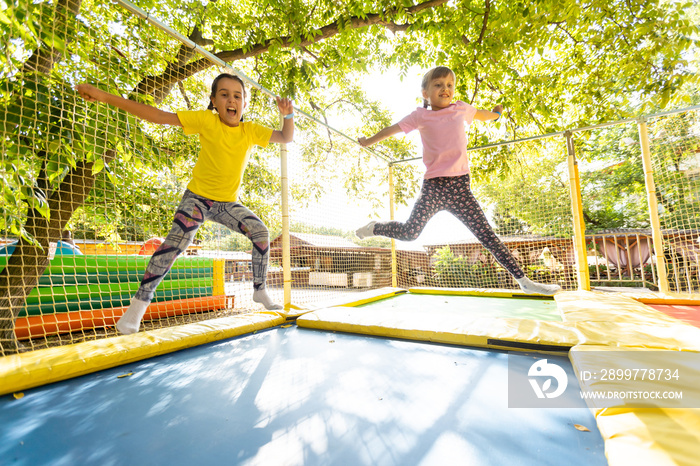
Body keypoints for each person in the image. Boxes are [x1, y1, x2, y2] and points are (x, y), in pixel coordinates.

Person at [77, 73, 294, 334]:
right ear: (213, 101)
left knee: (261, 232)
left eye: (237, 95)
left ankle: (260, 291)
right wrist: (104, 96)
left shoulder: (251, 131)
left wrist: (287, 115)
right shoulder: (206, 120)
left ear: (244, 104)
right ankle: (136, 308)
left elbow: (285, 137)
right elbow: (158, 116)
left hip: (227, 205)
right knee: (175, 245)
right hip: (198, 200)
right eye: (224, 94)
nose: (231, 100)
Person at [355, 66, 560, 296]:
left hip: (460, 188)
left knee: (488, 237)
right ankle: (375, 227)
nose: (445, 89)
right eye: (438, 85)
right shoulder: (419, 116)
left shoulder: (460, 109)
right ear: (425, 93)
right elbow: (391, 130)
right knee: (410, 233)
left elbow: (483, 115)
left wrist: (497, 114)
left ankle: (524, 282)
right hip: (433, 187)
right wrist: (369, 141)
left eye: (449, 85)